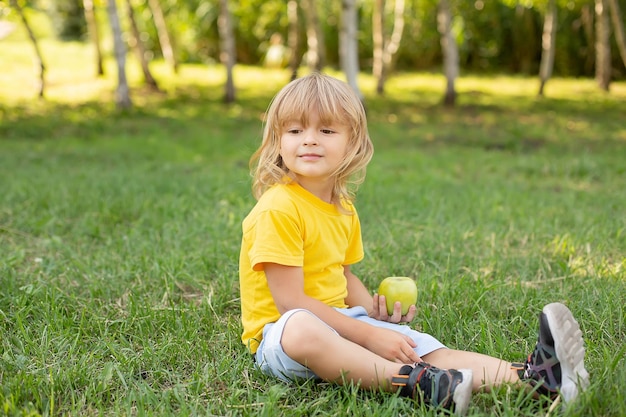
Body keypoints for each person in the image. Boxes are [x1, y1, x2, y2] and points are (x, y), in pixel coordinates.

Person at [238, 72, 589, 415]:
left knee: (416, 347)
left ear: (353, 142)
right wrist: (368, 335)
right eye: (296, 130)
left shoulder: (342, 209)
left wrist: (376, 318)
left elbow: (342, 277)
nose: (310, 140)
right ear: (278, 141)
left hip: (341, 321)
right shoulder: (278, 208)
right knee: (302, 327)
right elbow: (290, 302)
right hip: (282, 340)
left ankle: (534, 379)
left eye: (326, 130)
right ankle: (416, 382)